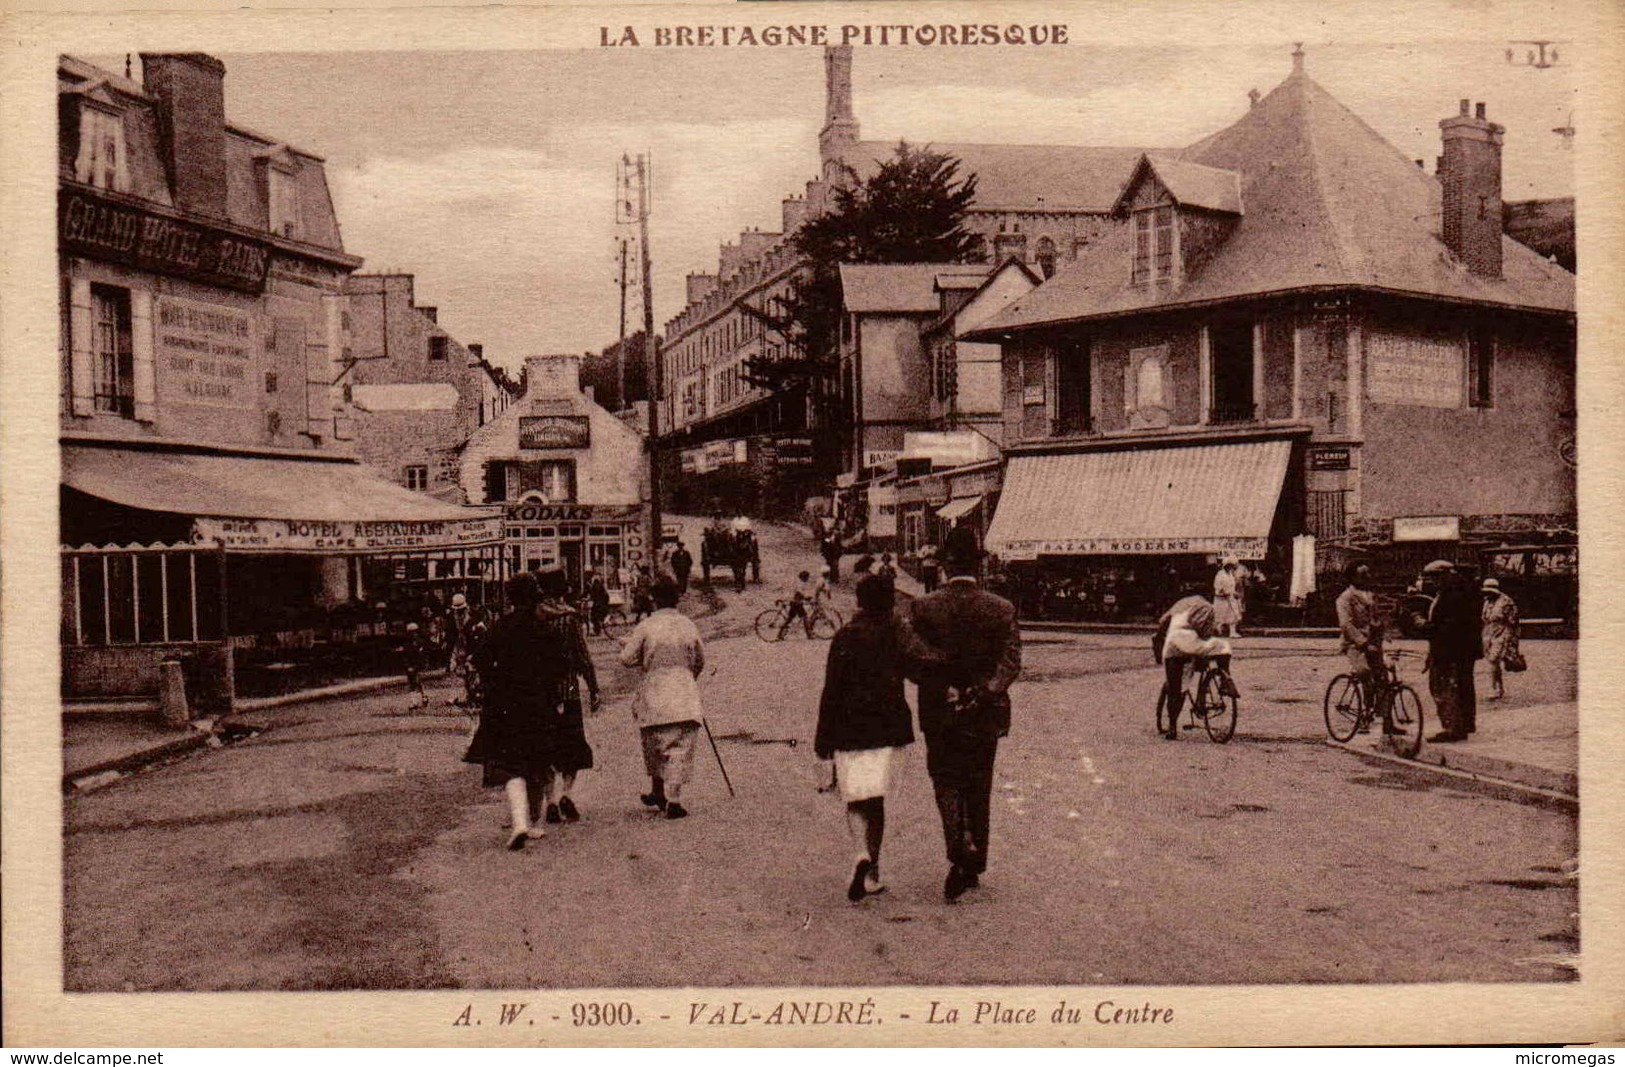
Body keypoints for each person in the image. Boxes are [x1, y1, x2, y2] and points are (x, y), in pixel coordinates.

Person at [907, 530, 1022, 902]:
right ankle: (975, 863)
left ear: (946, 566)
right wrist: (980, 692)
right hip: (985, 713)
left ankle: (958, 847)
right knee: (979, 781)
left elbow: (913, 661)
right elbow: (1010, 664)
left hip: (939, 710)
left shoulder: (923, 607)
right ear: (979, 565)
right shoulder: (1001, 608)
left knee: (945, 779)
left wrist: (945, 686)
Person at [815, 575, 941, 901]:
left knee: (856, 799)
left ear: (858, 601)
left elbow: (831, 691)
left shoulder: (844, 636)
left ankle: (860, 852)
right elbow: (921, 667)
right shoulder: (895, 632)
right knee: (877, 802)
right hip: (888, 727)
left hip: (849, 728)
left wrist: (823, 744)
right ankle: (873, 872)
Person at [463, 570, 601, 849]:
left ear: (511, 598)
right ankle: (534, 822)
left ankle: (520, 823)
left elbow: (479, 661)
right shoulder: (543, 629)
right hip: (538, 704)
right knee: (537, 764)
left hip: (503, 705)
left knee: (511, 767)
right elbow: (561, 666)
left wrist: (492, 683)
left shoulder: (500, 627)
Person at [619, 577, 706, 820]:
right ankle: (673, 798)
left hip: (655, 688)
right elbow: (699, 659)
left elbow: (627, 659)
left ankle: (658, 790)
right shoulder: (688, 625)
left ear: (653, 599)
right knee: (680, 745)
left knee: (655, 742)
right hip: (683, 689)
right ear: (677, 598)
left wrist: (627, 646)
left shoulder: (646, 626)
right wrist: (688, 676)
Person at [1335, 562, 1401, 736]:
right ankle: (1364, 716)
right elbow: (1346, 625)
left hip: (1374, 644)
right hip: (1355, 645)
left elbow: (1376, 618)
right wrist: (1363, 643)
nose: (1367, 578)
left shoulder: (1370, 596)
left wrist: (1384, 633)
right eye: (1362, 575)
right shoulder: (1345, 598)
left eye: (1368, 574)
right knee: (1365, 674)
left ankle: (1388, 722)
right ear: (1352, 577)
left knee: (1384, 680)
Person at [1420, 560, 1481, 743]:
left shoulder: (1452, 595)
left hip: (1450, 650)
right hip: (1462, 649)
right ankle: (1465, 723)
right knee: (1463, 685)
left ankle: (1452, 727)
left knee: (1446, 687)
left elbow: (1446, 627)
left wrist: (1423, 625)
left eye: (1435, 578)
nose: (1433, 582)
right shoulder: (1463, 589)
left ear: (1445, 575)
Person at [1156, 596, 1233, 740]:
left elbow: (1161, 624)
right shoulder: (1206, 606)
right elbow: (1202, 629)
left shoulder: (1178, 606)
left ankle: (1172, 728)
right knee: (1223, 647)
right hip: (1191, 643)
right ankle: (1223, 680)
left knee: (1175, 689)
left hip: (1172, 645)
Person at [1481, 577, 1521, 700]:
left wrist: (1513, 641)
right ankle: (1500, 688)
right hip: (1488, 633)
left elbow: (1513, 622)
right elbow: (1485, 618)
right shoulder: (1487, 601)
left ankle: (1494, 689)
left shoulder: (1506, 602)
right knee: (1493, 662)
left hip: (1502, 633)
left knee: (1493, 660)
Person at [778, 569, 819, 640]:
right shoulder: (799, 583)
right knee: (805, 617)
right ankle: (809, 635)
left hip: (795, 603)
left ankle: (780, 635)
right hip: (796, 604)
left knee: (789, 619)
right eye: (807, 578)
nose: (807, 579)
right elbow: (799, 593)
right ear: (804, 577)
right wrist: (806, 597)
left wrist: (806, 597)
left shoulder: (798, 582)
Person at [400, 622, 429, 709]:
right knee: (411, 683)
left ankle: (424, 696)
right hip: (410, 666)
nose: (413, 634)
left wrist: (420, 666)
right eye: (411, 632)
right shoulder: (406, 645)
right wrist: (408, 666)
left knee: (418, 681)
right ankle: (414, 701)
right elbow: (405, 657)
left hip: (419, 666)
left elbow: (423, 656)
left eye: (415, 632)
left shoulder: (421, 643)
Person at [1213, 557, 1243, 637]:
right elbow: (1218, 586)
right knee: (1220, 616)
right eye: (1229, 566)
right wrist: (1224, 593)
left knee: (1233, 615)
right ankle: (1218, 631)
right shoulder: (1220, 574)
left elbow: (1232, 586)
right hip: (1222, 598)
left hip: (1230, 597)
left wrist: (1235, 593)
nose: (1231, 567)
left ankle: (1232, 632)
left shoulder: (1230, 574)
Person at [585, 568, 611, 636]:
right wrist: (581, 597)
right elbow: (586, 591)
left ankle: (598, 630)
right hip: (597, 601)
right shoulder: (589, 583)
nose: (586, 576)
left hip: (602, 601)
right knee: (593, 615)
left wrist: (591, 598)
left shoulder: (596, 582)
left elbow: (596, 592)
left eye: (587, 574)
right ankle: (597, 629)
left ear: (590, 575)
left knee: (596, 615)